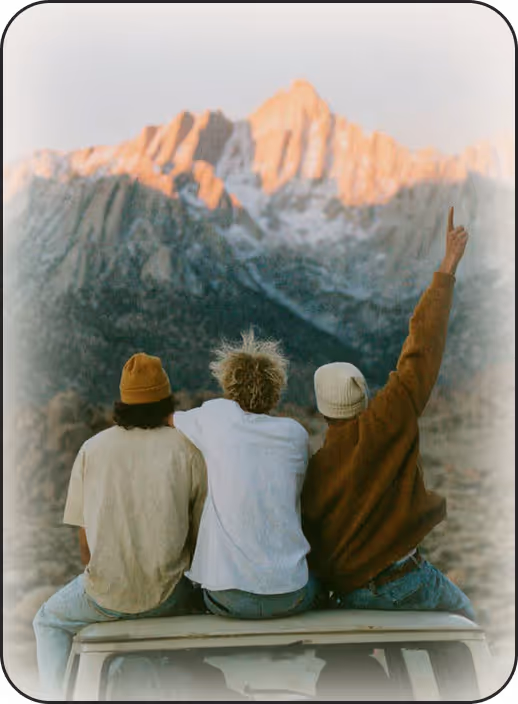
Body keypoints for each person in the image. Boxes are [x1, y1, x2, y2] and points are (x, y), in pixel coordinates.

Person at [301, 207, 475, 621]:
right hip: (405, 580)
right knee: (468, 625)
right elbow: (421, 348)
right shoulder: (389, 417)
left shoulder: (316, 467)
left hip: (350, 594)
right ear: (361, 398)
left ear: (323, 412)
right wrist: (447, 267)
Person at [33, 353, 207, 699]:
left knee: (47, 621)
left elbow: (85, 542)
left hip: (106, 594)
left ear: (123, 401)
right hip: (169, 594)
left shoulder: (91, 449)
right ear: (166, 400)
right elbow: (200, 535)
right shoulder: (187, 449)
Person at [170, 331, 320, 619]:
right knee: (322, 583)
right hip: (290, 593)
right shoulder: (295, 435)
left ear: (228, 384)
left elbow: (170, 419)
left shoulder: (216, 417)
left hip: (228, 596)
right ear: (276, 390)